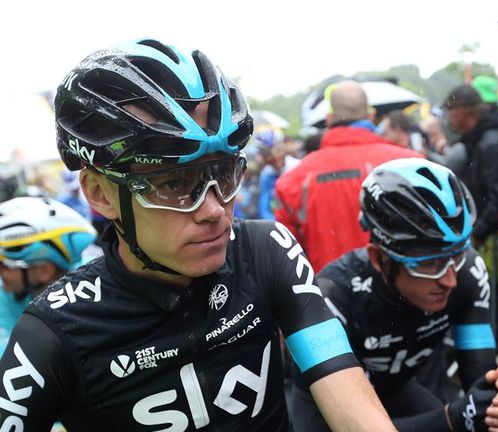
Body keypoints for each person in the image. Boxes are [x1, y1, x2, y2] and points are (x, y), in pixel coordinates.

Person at [0, 39, 396, 431]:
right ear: (100, 193)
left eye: (223, 174)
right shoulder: (51, 334)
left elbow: (351, 402)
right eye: (172, 181)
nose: (213, 210)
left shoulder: (264, 251)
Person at [289, 158, 498, 432]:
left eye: (455, 256)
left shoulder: (468, 271)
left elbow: (481, 387)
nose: (450, 280)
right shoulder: (333, 297)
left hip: (396, 389)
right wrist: (453, 418)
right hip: (323, 408)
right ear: (380, 259)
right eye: (430, 263)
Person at [275, 80, 422, 271]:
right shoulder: (411, 164)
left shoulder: (291, 181)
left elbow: (290, 258)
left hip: (327, 293)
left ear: (328, 119)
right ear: (371, 115)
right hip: (400, 291)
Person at [0, 197, 97, 355]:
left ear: (44, 270)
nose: (0, 273)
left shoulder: (95, 285)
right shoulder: (5, 293)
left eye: (4, 265)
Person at [443, 84, 498, 246]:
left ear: (463, 109)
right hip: (491, 234)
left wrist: (479, 231)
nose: (448, 116)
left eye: (450, 109)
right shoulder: (479, 138)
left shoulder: (492, 142)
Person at [252, 128, 299, 220]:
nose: (275, 157)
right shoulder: (266, 173)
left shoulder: (297, 167)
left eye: (278, 150)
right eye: (268, 155)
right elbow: (265, 206)